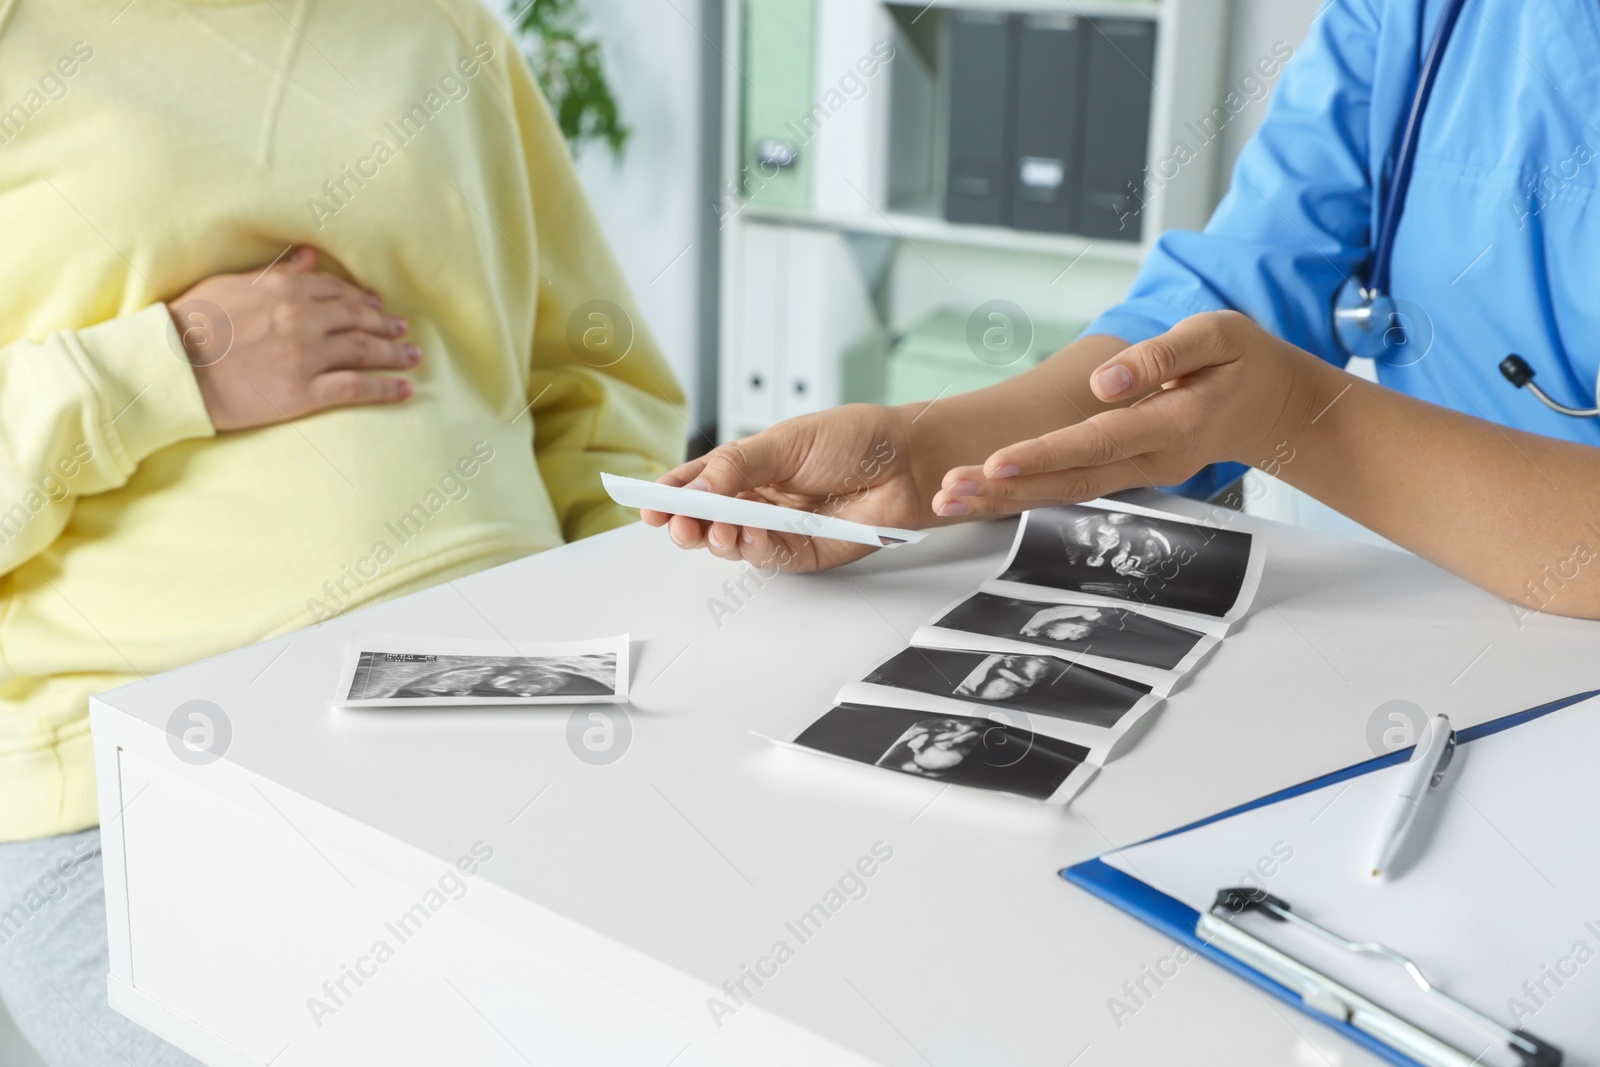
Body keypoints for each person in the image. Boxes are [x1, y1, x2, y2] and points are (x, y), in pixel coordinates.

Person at [0, 3, 684, 1063]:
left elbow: (589, 385)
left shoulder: (444, 27)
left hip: (517, 705)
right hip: (141, 787)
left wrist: (650, 613)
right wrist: (158, 370)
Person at [646, 0, 1600, 622]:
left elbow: (1252, 382)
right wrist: (926, 454)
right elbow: (1221, 306)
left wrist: (1299, 418)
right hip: (1397, 615)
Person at [1019, 605, 1105, 644]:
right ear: (1076, 628)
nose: (1059, 638)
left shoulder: (1039, 626)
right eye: (1068, 635)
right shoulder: (1081, 611)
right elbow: (1048, 614)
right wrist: (1030, 627)